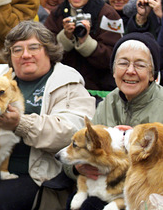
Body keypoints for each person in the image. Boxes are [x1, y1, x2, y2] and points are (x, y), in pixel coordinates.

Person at [0, 20, 95, 209]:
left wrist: (20, 124)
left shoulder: (68, 82)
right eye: (17, 50)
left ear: (48, 51)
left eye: (33, 48)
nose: (25, 55)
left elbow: (72, 133)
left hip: (35, 175)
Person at [69, 32, 163, 209]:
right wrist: (78, 167)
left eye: (140, 65)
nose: (130, 71)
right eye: (123, 63)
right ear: (113, 71)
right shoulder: (107, 104)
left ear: (152, 75)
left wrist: (133, 144)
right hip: (110, 190)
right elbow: (78, 149)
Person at [45, 0, 122, 91]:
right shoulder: (57, 14)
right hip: (63, 86)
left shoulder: (107, 14)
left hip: (99, 88)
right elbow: (46, 51)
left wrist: (86, 42)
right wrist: (65, 37)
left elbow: (114, 57)